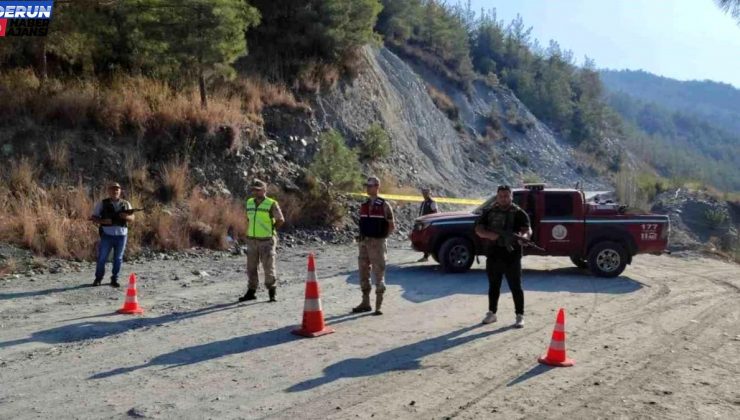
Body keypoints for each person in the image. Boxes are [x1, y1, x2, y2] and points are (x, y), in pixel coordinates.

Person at [474, 185, 532, 328]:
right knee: (494, 285)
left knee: (515, 287)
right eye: (501, 196)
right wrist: (489, 235)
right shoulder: (489, 212)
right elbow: (478, 229)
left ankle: (520, 315)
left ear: (511, 197)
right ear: (497, 196)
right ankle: (492, 313)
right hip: (494, 254)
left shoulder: (519, 213)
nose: (503, 198)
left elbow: (527, 229)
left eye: (506, 196)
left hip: (512, 255)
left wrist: (523, 238)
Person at [353, 176, 395, 315]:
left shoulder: (384, 205)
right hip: (364, 242)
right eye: (367, 186)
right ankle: (365, 302)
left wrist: (382, 238)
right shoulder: (364, 205)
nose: (367, 188)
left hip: (377, 243)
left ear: (377, 187)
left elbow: (391, 225)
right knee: (363, 271)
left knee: (379, 271)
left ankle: (378, 305)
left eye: (370, 186)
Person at [239, 179, 285, 303]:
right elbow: (248, 219)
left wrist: (271, 229)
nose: (255, 191)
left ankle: (272, 292)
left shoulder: (271, 203)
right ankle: (251, 292)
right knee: (251, 267)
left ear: (264, 190)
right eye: (254, 189)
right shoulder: (249, 202)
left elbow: (280, 219)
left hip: (266, 240)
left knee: (268, 267)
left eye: (258, 190)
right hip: (252, 240)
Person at [90, 182, 134, 287]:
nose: (115, 191)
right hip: (107, 235)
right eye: (113, 189)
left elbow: (132, 218)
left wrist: (126, 217)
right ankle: (98, 278)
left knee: (118, 258)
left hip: (122, 236)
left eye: (117, 189)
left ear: (120, 191)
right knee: (102, 258)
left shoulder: (126, 203)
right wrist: (104, 221)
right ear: (109, 191)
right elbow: (94, 217)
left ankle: (115, 279)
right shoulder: (102, 203)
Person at [416, 187, 439, 262]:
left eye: (426, 193)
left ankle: (426, 256)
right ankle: (426, 254)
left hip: (429, 223)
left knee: (427, 239)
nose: (424, 194)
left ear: (429, 193)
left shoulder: (432, 202)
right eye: (423, 193)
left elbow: (435, 212)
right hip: (423, 223)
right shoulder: (423, 202)